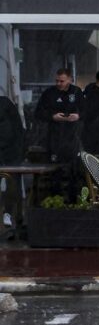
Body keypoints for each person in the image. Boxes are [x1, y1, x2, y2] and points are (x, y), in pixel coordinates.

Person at [33, 68, 84, 202]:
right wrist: (53, 117)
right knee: (55, 174)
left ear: (70, 80)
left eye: (62, 81)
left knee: (74, 172)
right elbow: (38, 113)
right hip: (55, 139)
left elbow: (87, 112)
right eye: (57, 81)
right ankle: (55, 201)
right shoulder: (49, 93)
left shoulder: (76, 92)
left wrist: (77, 116)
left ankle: (73, 201)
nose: (59, 84)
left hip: (72, 139)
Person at [0, 96, 25, 233]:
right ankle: (11, 216)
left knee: (13, 186)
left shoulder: (5, 103)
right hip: (7, 151)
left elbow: (18, 130)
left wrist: (20, 152)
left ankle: (13, 217)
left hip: (11, 152)